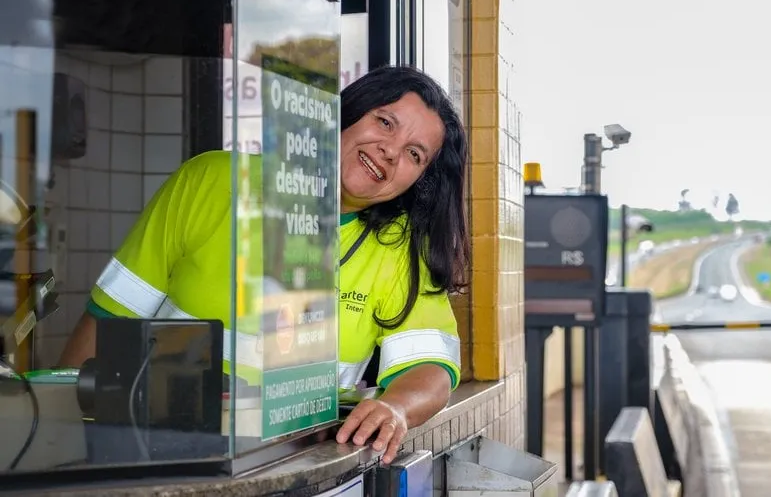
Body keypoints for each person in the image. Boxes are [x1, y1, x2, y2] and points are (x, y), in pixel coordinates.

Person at [59, 65, 469, 464]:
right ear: (347, 114)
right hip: (154, 451)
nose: (391, 151)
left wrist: (396, 408)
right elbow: (106, 321)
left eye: (415, 154)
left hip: (291, 468)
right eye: (384, 122)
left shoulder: (398, 248)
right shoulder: (212, 181)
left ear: (420, 179)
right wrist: (57, 438)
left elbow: (431, 368)